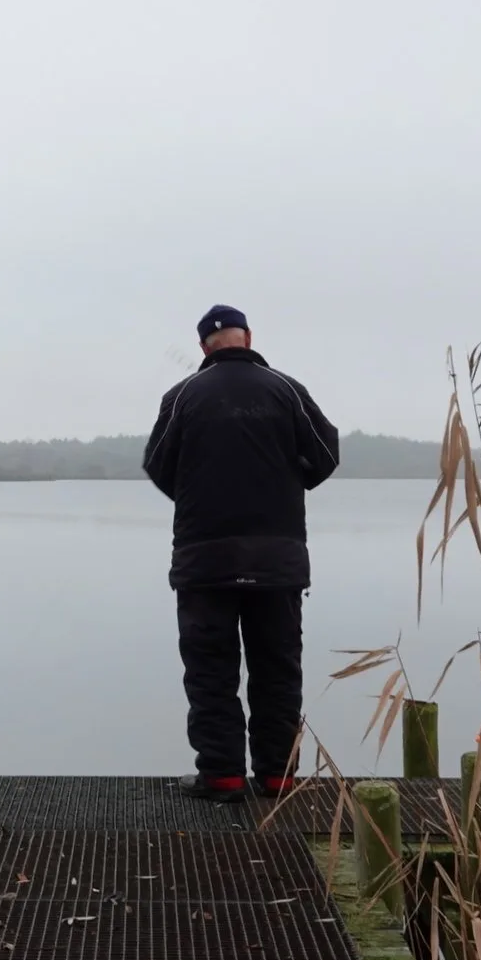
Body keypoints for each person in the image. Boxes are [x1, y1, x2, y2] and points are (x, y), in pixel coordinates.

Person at [142, 304, 339, 802]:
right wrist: (286, 482)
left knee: (210, 671)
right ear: (247, 337)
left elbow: (158, 464)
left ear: (204, 346)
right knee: (278, 670)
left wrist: (197, 495)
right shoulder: (287, 390)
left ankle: (223, 777)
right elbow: (326, 454)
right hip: (277, 562)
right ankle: (277, 777)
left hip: (204, 560)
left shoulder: (182, 395)